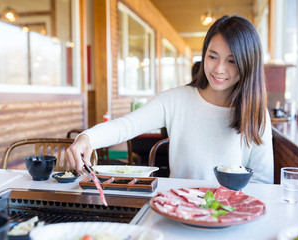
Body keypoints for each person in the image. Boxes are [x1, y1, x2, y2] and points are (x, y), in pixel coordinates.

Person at [65, 15, 274, 184]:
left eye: (232, 61)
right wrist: (87, 138)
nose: (219, 69)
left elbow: (262, 183)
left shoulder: (256, 113)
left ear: (248, 64)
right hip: (179, 209)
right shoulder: (175, 100)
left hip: (231, 219)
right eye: (212, 56)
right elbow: (125, 126)